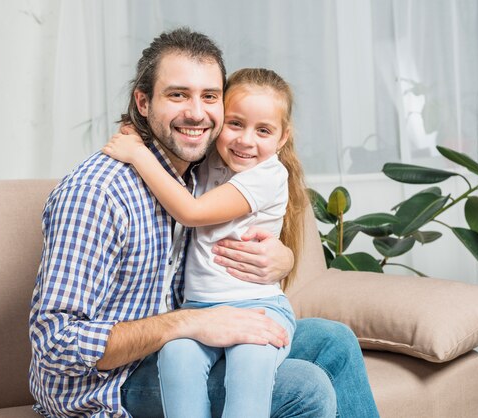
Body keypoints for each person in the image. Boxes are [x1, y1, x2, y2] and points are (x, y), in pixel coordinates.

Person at [29, 27, 379, 418]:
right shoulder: (98, 194)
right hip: (111, 383)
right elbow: (55, 344)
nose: (196, 113)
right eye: (178, 94)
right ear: (142, 103)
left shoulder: (202, 169)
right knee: (304, 387)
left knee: (335, 340)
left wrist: (283, 258)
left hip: (186, 335)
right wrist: (190, 322)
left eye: (209, 96)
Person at [103, 67, 305, 417]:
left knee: (251, 363)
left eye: (263, 130)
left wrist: (138, 155)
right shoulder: (211, 157)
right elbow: (177, 136)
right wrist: (138, 135)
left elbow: (191, 212)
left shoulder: (267, 174)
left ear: (282, 138)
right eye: (236, 124)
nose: (245, 140)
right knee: (174, 356)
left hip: (257, 306)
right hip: (197, 310)